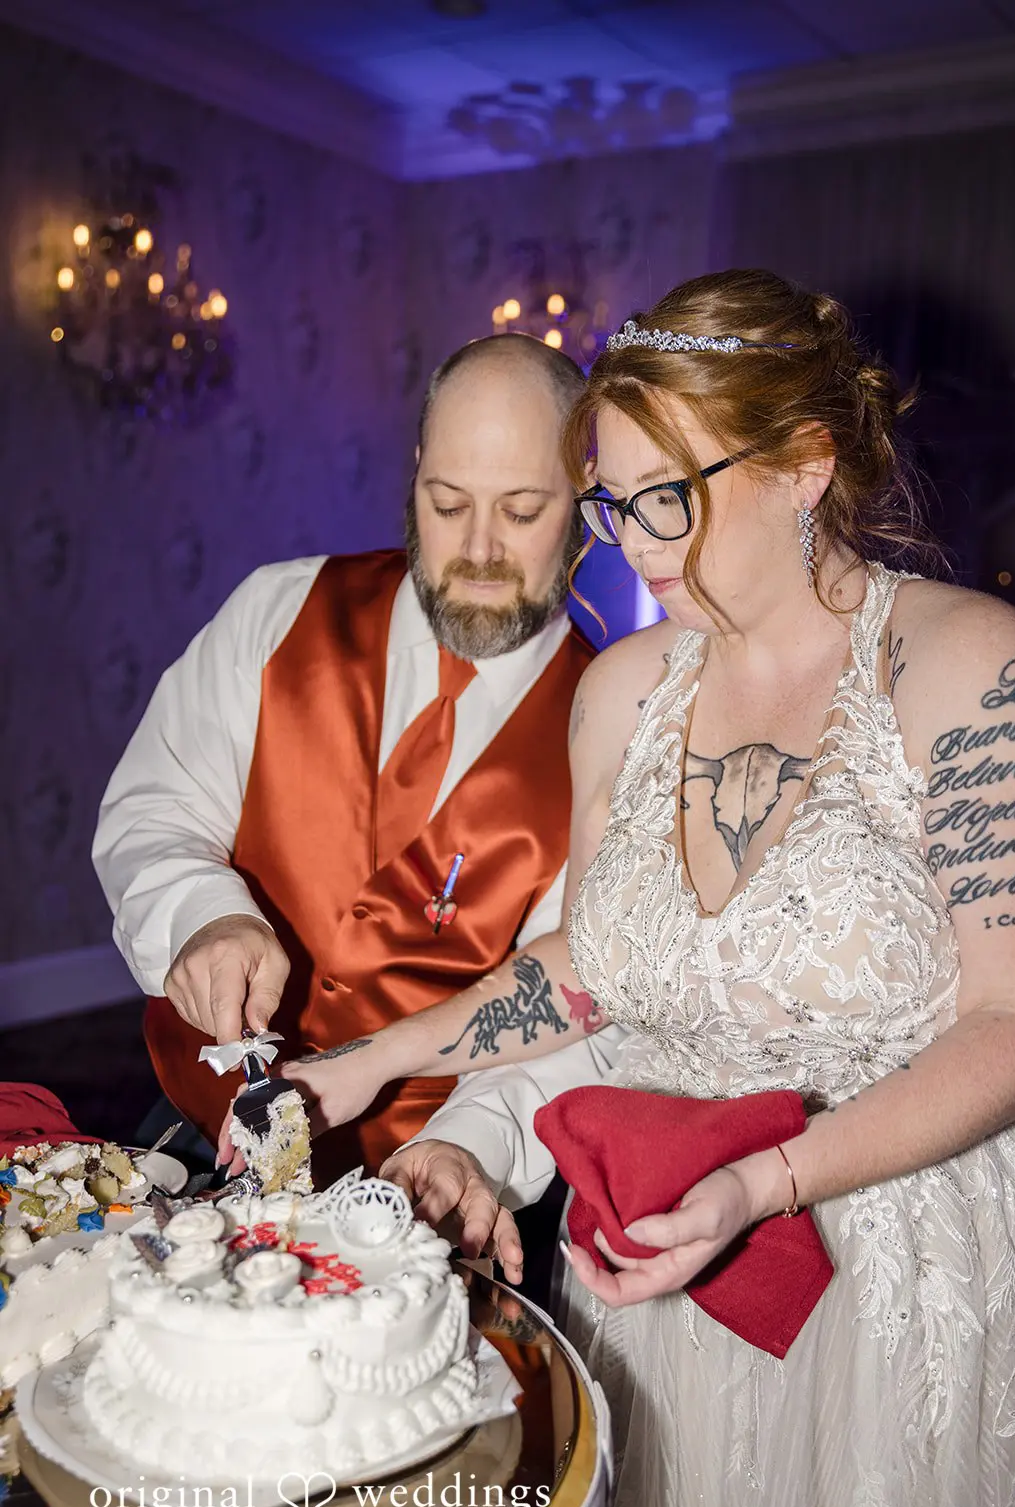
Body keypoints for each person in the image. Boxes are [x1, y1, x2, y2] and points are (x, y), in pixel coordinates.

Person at [290, 270, 1015, 1507]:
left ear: (804, 466)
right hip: (661, 1263)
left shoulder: (967, 667)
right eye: (611, 499)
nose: (634, 544)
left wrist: (763, 1184)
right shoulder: (622, 691)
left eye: (669, 496)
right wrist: (376, 1059)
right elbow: (590, 968)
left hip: (900, 1274)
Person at [92, 332, 623, 1184]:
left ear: (585, 495)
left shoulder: (613, 726)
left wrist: (468, 1145)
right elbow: (156, 807)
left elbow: (585, 999)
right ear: (414, 470)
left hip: (421, 1178)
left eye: (521, 511)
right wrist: (200, 914)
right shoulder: (279, 607)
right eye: (447, 503)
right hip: (195, 1135)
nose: (480, 549)